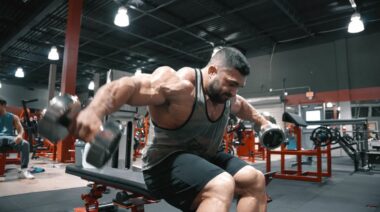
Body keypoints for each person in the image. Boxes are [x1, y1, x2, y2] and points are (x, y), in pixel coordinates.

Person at [75, 47, 272, 212]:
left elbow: (244, 107)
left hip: (207, 157)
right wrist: (95, 110)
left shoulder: (228, 97)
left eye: (239, 86)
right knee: (221, 184)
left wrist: (263, 123)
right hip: (162, 164)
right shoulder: (179, 85)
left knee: (255, 179)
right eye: (231, 83)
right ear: (212, 70)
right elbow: (131, 86)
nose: (234, 92)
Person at [0, 98, 34, 179]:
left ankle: (24, 170)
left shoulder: (13, 117)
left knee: (25, 144)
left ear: (3, 105)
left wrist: (19, 135)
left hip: (10, 138)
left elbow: (21, 129)